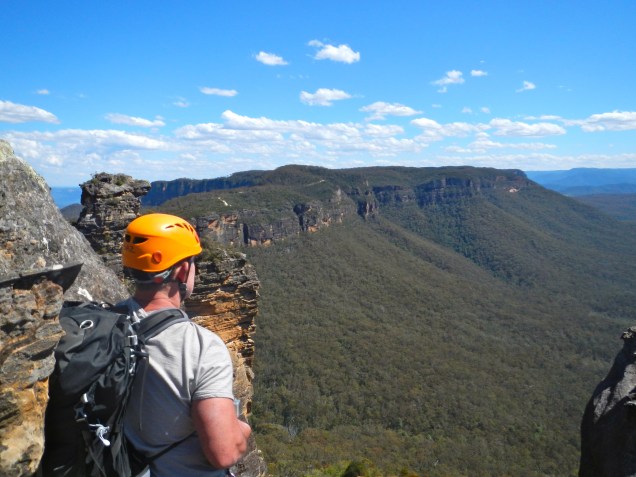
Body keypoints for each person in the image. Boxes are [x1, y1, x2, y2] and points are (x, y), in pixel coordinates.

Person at [119, 213, 251, 476]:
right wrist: (243, 428)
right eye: (192, 262)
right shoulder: (202, 348)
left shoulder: (105, 323)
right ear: (181, 270)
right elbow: (224, 453)